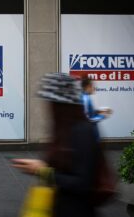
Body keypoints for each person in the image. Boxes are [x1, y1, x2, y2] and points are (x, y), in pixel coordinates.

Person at [12, 73, 102, 217]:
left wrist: (42, 171)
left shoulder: (82, 131)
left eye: (53, 104)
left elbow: (82, 183)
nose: (49, 108)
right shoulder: (63, 131)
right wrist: (39, 165)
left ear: (62, 106)